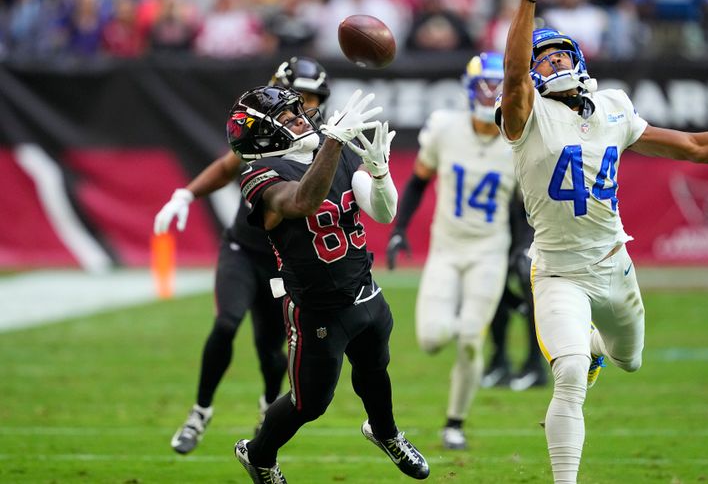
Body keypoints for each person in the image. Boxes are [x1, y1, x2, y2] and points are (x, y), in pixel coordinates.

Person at [499, 0, 708, 484]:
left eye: (557, 55)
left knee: (629, 360)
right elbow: (512, 75)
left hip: (615, 264)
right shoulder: (525, 114)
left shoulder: (612, 107)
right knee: (568, 373)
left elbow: (694, 146)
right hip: (557, 272)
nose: (549, 65)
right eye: (539, 59)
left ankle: (596, 345)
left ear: (579, 59)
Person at [227, 85, 429, 483]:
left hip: (364, 287)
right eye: (288, 119)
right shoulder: (258, 174)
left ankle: (385, 432)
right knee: (310, 403)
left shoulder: (328, 150)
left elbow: (383, 213)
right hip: (316, 307)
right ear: (263, 136)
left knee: (375, 369)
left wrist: (381, 172)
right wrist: (333, 144)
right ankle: (259, 454)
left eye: (298, 113)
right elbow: (301, 201)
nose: (303, 120)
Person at [154, 57, 332, 455]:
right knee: (226, 323)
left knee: (271, 348)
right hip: (242, 250)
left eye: (309, 99)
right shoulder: (263, 135)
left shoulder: (323, 142)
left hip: (281, 262)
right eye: (297, 96)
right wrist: (186, 193)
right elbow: (226, 165)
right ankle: (199, 411)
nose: (302, 107)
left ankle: (268, 408)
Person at [385, 52, 518, 450]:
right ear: (469, 88)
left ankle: (454, 423)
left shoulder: (520, 141)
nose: (491, 93)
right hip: (445, 249)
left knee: (471, 340)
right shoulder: (445, 128)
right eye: (485, 84)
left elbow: (528, 208)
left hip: (490, 251)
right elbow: (418, 180)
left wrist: (525, 252)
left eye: (499, 85)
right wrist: (400, 229)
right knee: (431, 338)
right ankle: (466, 323)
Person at [481, 192, 547, 391]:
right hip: (501, 220)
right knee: (489, 282)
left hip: (530, 220)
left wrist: (525, 241)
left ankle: (535, 366)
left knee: (529, 280)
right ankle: (499, 359)